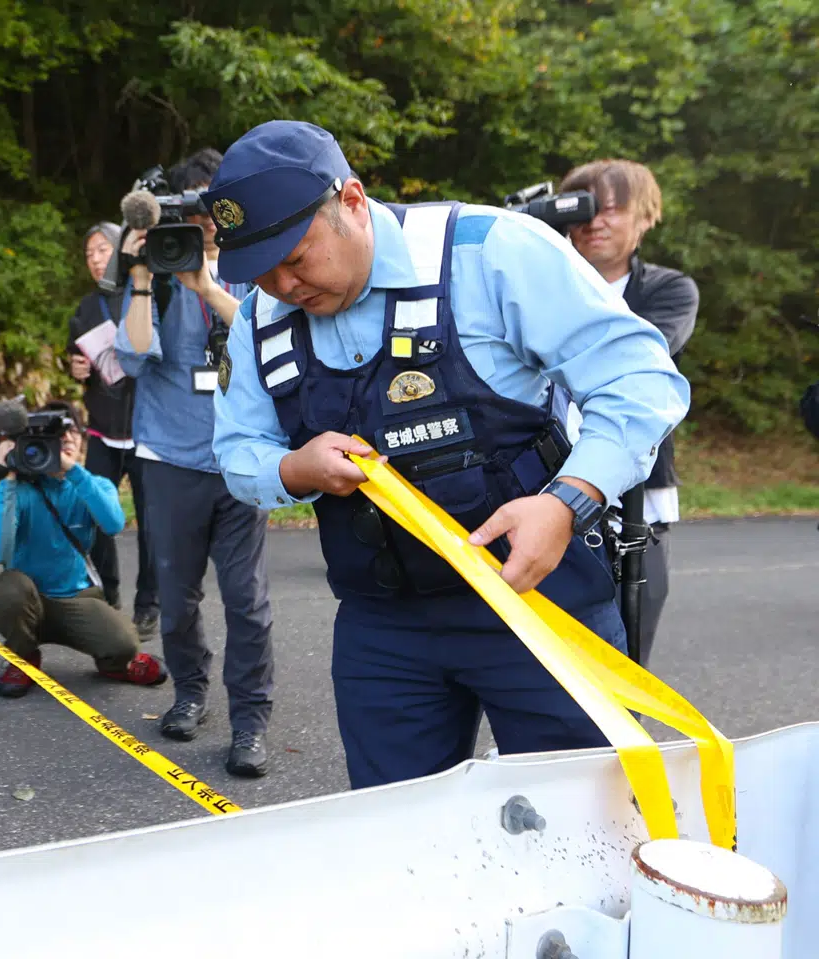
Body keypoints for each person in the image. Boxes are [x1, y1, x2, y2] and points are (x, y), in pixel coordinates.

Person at [206, 121, 689, 791]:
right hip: (385, 628)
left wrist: (568, 499)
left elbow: (640, 381)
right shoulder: (259, 322)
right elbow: (236, 451)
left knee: (585, 826)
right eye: (260, 269)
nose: (284, 284)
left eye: (296, 255)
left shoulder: (490, 254)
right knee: (401, 838)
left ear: (350, 200)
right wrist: (293, 469)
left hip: (541, 600)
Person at [114, 148, 276, 778]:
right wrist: (140, 274)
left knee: (247, 599)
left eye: (215, 205)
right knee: (177, 600)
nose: (205, 218)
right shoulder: (158, 264)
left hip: (242, 456)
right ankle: (189, 693)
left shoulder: (255, 264)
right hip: (169, 457)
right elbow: (133, 356)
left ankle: (251, 722)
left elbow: (265, 338)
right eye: (193, 206)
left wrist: (206, 284)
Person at [559, 159, 699, 667]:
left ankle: (622, 747)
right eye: (581, 207)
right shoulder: (531, 284)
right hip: (540, 481)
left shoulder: (668, 289)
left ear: (645, 218)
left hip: (638, 499)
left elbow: (641, 353)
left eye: (612, 209)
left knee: (624, 657)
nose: (594, 221)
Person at [0, 401, 169, 697]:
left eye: (74, 434)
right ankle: (24, 657)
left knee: (125, 644)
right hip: (29, 599)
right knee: (9, 588)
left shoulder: (92, 485)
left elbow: (113, 523)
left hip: (76, 597)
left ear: (83, 441)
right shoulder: (19, 491)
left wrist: (72, 472)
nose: (67, 440)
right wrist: (10, 481)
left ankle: (115, 665)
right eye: (59, 436)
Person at [66, 222, 159, 637]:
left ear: (121, 249)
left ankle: (149, 605)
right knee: (97, 515)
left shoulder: (149, 295)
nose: (95, 258)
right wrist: (76, 368)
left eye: (102, 249)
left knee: (152, 523)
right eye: (88, 254)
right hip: (103, 430)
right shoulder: (86, 307)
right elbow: (74, 358)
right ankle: (110, 595)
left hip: (147, 431)